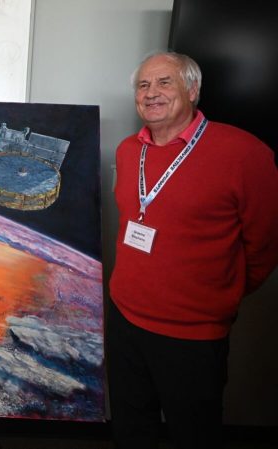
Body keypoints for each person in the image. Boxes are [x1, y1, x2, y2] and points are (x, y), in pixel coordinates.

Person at [108, 51, 278, 449]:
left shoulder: (243, 153)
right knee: (132, 430)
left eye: (164, 82)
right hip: (125, 320)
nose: (151, 93)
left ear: (193, 89)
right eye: (143, 85)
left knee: (194, 434)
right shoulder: (129, 150)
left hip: (193, 334)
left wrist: (220, 292)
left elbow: (266, 244)